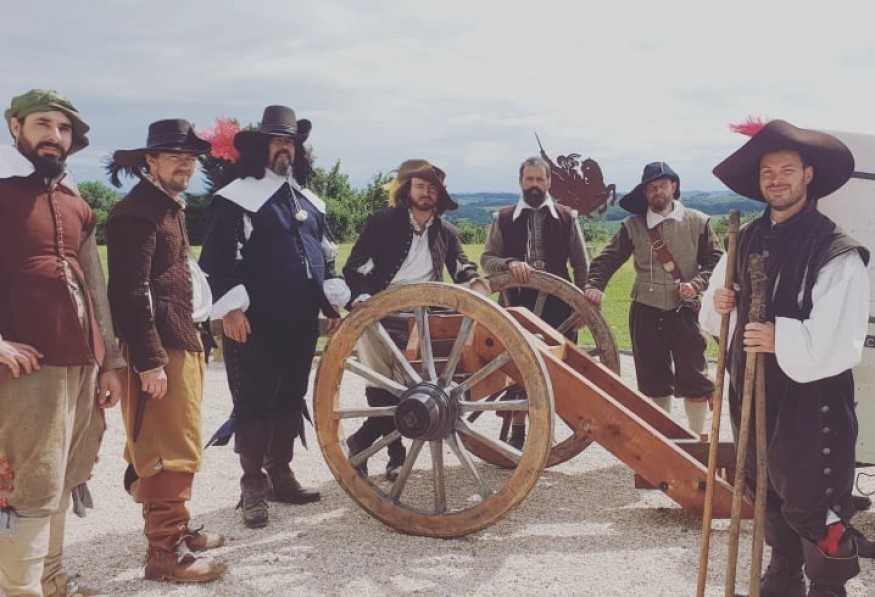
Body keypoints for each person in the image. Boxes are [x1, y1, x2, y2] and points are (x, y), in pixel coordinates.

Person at [702, 120, 869, 596]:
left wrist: (783, 338)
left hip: (811, 399)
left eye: (787, 170)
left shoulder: (834, 249)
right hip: (753, 388)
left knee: (814, 496)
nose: (776, 180)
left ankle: (828, 585)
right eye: (768, 172)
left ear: (808, 175)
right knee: (764, 484)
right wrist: (720, 303)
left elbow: (842, 336)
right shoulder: (746, 239)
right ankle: (783, 572)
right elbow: (716, 311)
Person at [0, 89, 125, 596]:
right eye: (43, 124)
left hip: (82, 363)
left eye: (64, 128)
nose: (55, 136)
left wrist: (110, 361)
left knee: (62, 473)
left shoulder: (78, 204)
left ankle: (51, 580)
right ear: (16, 127)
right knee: (28, 481)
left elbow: (95, 285)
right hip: (26, 369)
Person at [199, 105, 347, 528]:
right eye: (277, 141)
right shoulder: (236, 199)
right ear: (261, 148)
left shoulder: (309, 202)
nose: (285, 148)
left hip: (300, 320)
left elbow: (326, 258)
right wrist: (231, 309)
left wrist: (331, 304)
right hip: (254, 322)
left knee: (289, 397)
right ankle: (253, 486)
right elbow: (217, 260)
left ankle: (281, 474)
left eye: (290, 142)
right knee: (254, 402)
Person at [105, 119, 227, 582]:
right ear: (150, 160)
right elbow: (130, 292)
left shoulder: (165, 205)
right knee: (165, 445)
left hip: (180, 337)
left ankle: (175, 529)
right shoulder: (136, 213)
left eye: (191, 158)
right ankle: (164, 553)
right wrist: (150, 359)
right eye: (175, 156)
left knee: (178, 438)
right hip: (160, 346)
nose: (185, 165)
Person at [344, 159, 487, 481]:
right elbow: (355, 267)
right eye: (420, 186)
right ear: (408, 190)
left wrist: (474, 282)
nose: (426, 193)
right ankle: (395, 455)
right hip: (381, 311)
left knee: (408, 389)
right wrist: (363, 299)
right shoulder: (382, 223)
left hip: (424, 317)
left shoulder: (446, 231)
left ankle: (360, 442)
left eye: (432, 189)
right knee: (381, 386)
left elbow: (461, 265)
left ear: (439, 195)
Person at [584, 162, 722, 435]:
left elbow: (716, 260)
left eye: (661, 185)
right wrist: (595, 285)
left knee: (695, 379)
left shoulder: (698, 221)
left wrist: (696, 284)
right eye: (651, 188)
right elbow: (607, 259)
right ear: (645, 193)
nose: (657, 191)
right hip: (646, 312)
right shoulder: (632, 226)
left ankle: (696, 442)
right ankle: (663, 443)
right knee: (654, 382)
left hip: (686, 311)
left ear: (674, 186)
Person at [480, 155, 590, 448]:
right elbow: (487, 259)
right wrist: (508, 263)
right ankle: (518, 431)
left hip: (558, 306)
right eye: (529, 179)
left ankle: (545, 428)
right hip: (517, 302)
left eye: (540, 179)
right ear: (520, 182)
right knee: (518, 366)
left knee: (557, 369)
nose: (535, 184)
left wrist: (582, 308)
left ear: (549, 182)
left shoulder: (567, 217)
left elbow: (581, 265)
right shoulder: (503, 218)